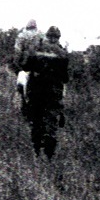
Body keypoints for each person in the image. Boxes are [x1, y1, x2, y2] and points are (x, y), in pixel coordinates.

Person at [21, 25, 69, 159]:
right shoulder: (62, 53)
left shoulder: (35, 49)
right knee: (51, 124)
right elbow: (65, 78)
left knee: (36, 122)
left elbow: (25, 66)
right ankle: (49, 157)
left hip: (35, 92)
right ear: (58, 38)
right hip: (53, 94)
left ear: (46, 36)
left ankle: (36, 152)